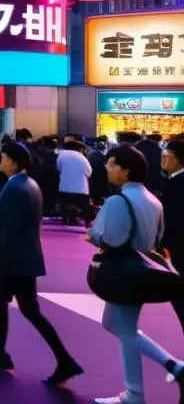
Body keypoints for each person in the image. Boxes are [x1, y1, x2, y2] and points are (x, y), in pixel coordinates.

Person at [88, 145, 184, 404]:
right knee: (120, 326)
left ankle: (172, 368)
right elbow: (158, 237)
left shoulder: (118, 200)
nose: (106, 168)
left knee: (122, 328)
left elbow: (107, 237)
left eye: (111, 164)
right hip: (142, 270)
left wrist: (94, 235)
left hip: (121, 270)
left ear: (126, 170)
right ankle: (135, 392)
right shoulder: (153, 199)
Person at [0, 142, 81, 383]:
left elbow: (1, 226)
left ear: (14, 162)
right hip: (26, 258)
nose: (0, 161)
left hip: (10, 259)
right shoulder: (30, 185)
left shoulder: (13, 188)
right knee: (29, 310)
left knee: (1, 304)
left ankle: (1, 352)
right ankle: (62, 358)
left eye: (3, 157)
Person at [160, 140, 184, 332]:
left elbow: (171, 220)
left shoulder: (175, 184)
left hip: (177, 250)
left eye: (167, 157)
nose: (163, 161)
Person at [56, 140, 94, 226]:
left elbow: (58, 169)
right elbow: (89, 172)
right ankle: (87, 222)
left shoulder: (61, 155)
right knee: (84, 207)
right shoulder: (82, 157)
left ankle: (66, 220)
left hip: (64, 187)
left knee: (65, 206)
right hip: (81, 188)